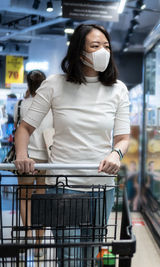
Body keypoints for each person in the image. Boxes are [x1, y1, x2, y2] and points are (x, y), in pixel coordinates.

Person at [14, 24, 130, 266]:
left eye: (107, 46)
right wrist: (23, 155)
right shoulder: (55, 84)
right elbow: (24, 128)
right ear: (80, 52)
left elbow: (122, 138)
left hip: (101, 186)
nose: (103, 51)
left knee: (92, 255)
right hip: (64, 184)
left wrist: (116, 154)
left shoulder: (118, 89)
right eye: (95, 46)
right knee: (69, 258)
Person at [14, 70, 52, 257]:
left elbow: (18, 129)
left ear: (28, 85)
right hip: (46, 160)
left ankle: (27, 233)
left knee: (24, 197)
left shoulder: (21, 105)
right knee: (41, 200)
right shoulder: (51, 106)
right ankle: (39, 244)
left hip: (25, 158)